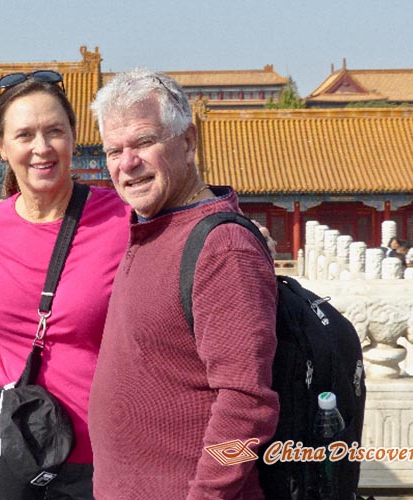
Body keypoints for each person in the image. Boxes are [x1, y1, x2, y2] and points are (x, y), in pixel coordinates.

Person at [0, 70, 130, 498]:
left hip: (98, 460)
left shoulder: (122, 218)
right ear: (2, 148)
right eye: (25, 135)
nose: (41, 148)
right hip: (15, 452)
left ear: (74, 139)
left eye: (54, 131)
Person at [87, 68, 279, 500]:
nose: (127, 163)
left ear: (188, 141)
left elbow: (247, 405)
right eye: (113, 150)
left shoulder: (221, 247)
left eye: (143, 142)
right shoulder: (152, 228)